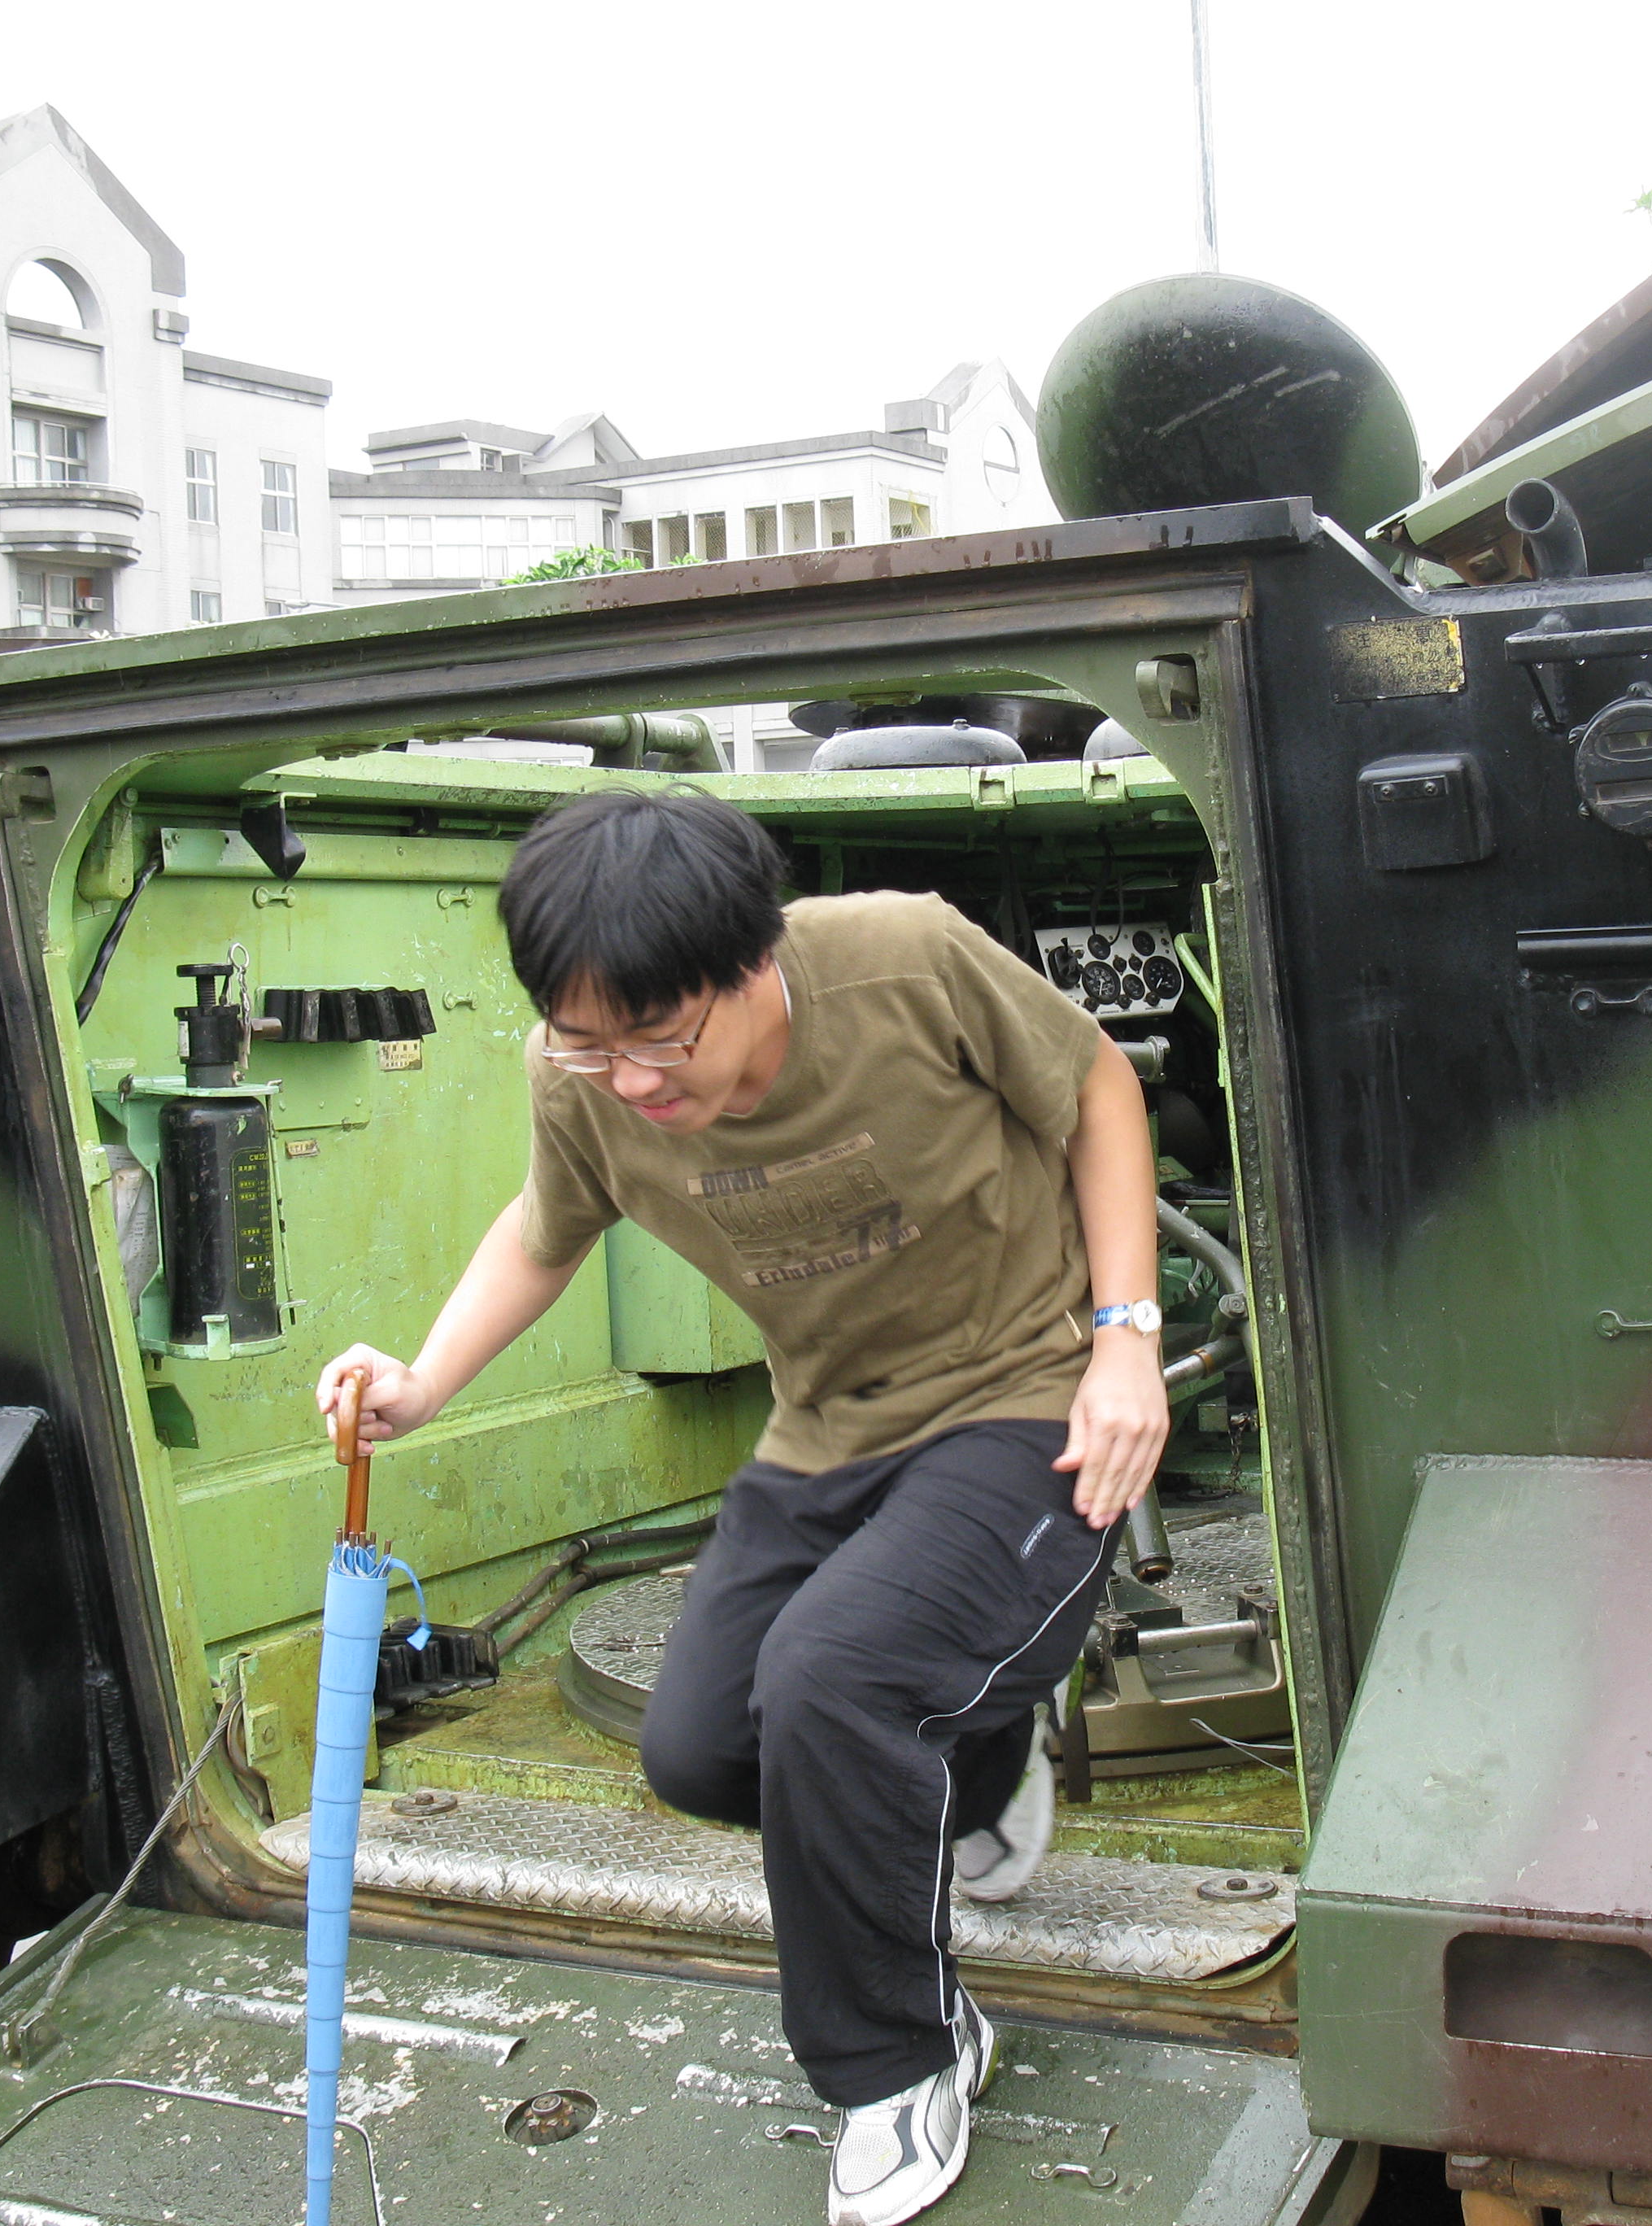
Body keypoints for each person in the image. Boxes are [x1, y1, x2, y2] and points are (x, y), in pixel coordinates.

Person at [318, 788, 1169, 2226]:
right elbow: (544, 1232)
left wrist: (1125, 1337)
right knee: (707, 1752)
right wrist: (423, 1383)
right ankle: (982, 1753)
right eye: (587, 1038)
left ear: (753, 964)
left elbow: (1095, 1087)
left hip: (1017, 1392)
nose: (629, 1078)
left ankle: (901, 2061)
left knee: (835, 1679)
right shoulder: (576, 1074)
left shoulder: (904, 957)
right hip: (823, 1427)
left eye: (661, 1037)